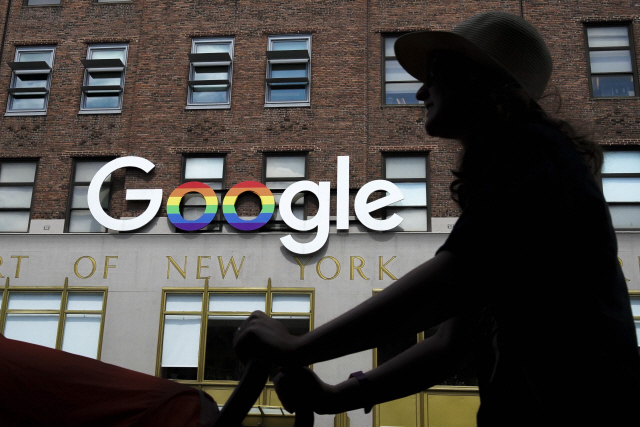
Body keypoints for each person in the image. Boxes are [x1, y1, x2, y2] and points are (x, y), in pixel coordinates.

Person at [234, 11, 640, 426]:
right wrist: (337, 396)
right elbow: (451, 343)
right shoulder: (529, 163)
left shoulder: (535, 157)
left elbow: (452, 282)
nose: (419, 92)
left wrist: (297, 348)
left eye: (435, 73)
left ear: (481, 79)